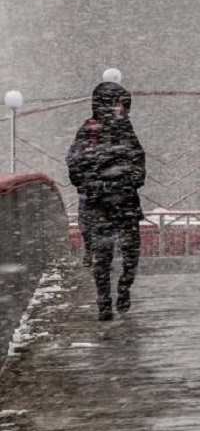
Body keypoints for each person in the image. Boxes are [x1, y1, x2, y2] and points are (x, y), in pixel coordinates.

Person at [66, 81, 146, 321]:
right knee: (103, 256)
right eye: (119, 103)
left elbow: (139, 160)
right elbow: (74, 164)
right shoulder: (89, 130)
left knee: (131, 254)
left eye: (124, 104)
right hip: (100, 204)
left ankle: (124, 287)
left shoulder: (126, 129)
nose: (122, 109)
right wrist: (95, 185)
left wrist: (132, 180)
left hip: (126, 202)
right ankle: (104, 301)